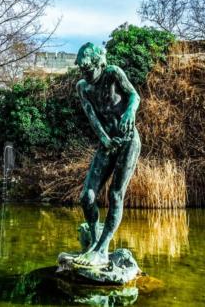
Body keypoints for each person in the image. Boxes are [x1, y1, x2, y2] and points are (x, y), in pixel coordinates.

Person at [74, 42, 141, 266]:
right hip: (107, 143)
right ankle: (94, 243)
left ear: (99, 64)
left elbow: (134, 96)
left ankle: (103, 249)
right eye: (82, 70)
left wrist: (129, 111)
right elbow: (92, 118)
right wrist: (104, 139)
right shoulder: (83, 87)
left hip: (128, 141)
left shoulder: (113, 73)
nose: (85, 74)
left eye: (89, 69)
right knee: (87, 197)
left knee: (115, 195)